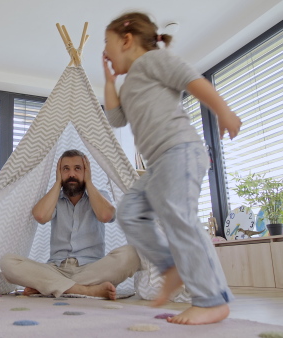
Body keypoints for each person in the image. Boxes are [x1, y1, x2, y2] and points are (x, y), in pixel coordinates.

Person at [102, 12, 242, 325]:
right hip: (158, 164)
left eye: (107, 44)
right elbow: (115, 119)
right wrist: (110, 81)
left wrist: (223, 111)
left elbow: (193, 80)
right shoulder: (130, 83)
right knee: (129, 212)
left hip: (180, 151)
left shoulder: (154, 62)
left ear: (126, 40)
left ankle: (212, 299)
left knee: (180, 218)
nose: (106, 52)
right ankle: (170, 266)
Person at [0, 149, 142, 300]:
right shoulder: (54, 199)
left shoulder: (99, 196)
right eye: (66, 169)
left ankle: (50, 287)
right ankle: (85, 290)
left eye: (78, 169)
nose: (72, 174)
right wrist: (57, 183)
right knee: (8, 262)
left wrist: (89, 182)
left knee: (132, 253)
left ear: (86, 171)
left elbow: (106, 215)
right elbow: (40, 216)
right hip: (56, 269)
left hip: (92, 270)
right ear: (59, 172)